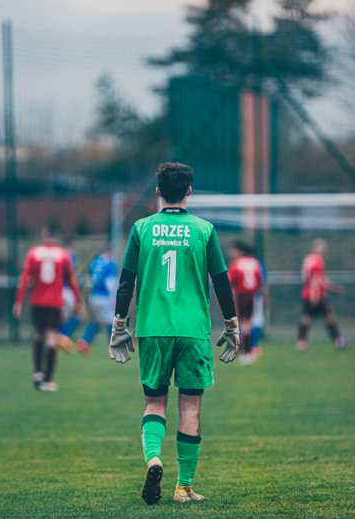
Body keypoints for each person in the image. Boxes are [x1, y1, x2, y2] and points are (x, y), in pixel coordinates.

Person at [109, 162, 240, 505]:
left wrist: (119, 325)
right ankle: (183, 488)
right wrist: (231, 324)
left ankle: (153, 458)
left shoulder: (141, 228)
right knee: (191, 408)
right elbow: (222, 283)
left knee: (154, 401)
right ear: (189, 191)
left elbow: (126, 282)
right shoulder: (204, 230)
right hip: (193, 331)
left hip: (152, 330)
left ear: (157, 191)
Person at [14, 224, 83, 392]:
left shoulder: (34, 253)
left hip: (37, 301)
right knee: (52, 339)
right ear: (57, 235)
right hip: (54, 302)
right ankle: (48, 380)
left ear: (44, 234)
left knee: (38, 335)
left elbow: (25, 278)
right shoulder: (62, 254)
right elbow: (71, 279)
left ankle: (37, 372)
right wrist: (78, 302)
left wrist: (19, 301)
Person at [296, 239, 346, 352]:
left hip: (307, 293)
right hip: (316, 294)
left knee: (307, 318)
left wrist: (332, 286)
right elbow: (316, 279)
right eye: (323, 248)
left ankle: (301, 342)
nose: (324, 250)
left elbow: (316, 278)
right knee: (327, 317)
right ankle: (338, 341)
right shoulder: (317, 260)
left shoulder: (308, 259)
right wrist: (316, 294)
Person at [227, 241, 265, 365]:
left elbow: (229, 281)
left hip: (242, 295)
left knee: (244, 324)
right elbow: (260, 281)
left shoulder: (237, 264)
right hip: (252, 295)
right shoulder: (255, 263)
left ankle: (247, 353)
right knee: (247, 323)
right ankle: (246, 349)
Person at [75, 246, 118, 355]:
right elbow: (110, 282)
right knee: (112, 320)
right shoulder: (110, 263)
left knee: (98, 320)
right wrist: (113, 297)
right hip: (105, 296)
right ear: (109, 252)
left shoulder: (95, 262)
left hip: (94, 296)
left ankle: (84, 341)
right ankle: (112, 346)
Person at [57, 236, 81, 353]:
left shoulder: (60, 254)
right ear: (72, 244)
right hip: (67, 290)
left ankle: (61, 337)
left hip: (58, 290)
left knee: (63, 316)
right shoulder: (70, 255)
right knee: (77, 314)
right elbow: (71, 274)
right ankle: (62, 337)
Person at [249, 257, 269, 358]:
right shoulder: (258, 265)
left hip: (244, 296)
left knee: (246, 321)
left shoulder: (237, 263)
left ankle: (249, 347)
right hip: (255, 296)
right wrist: (265, 299)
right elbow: (263, 284)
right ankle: (253, 347)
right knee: (256, 321)